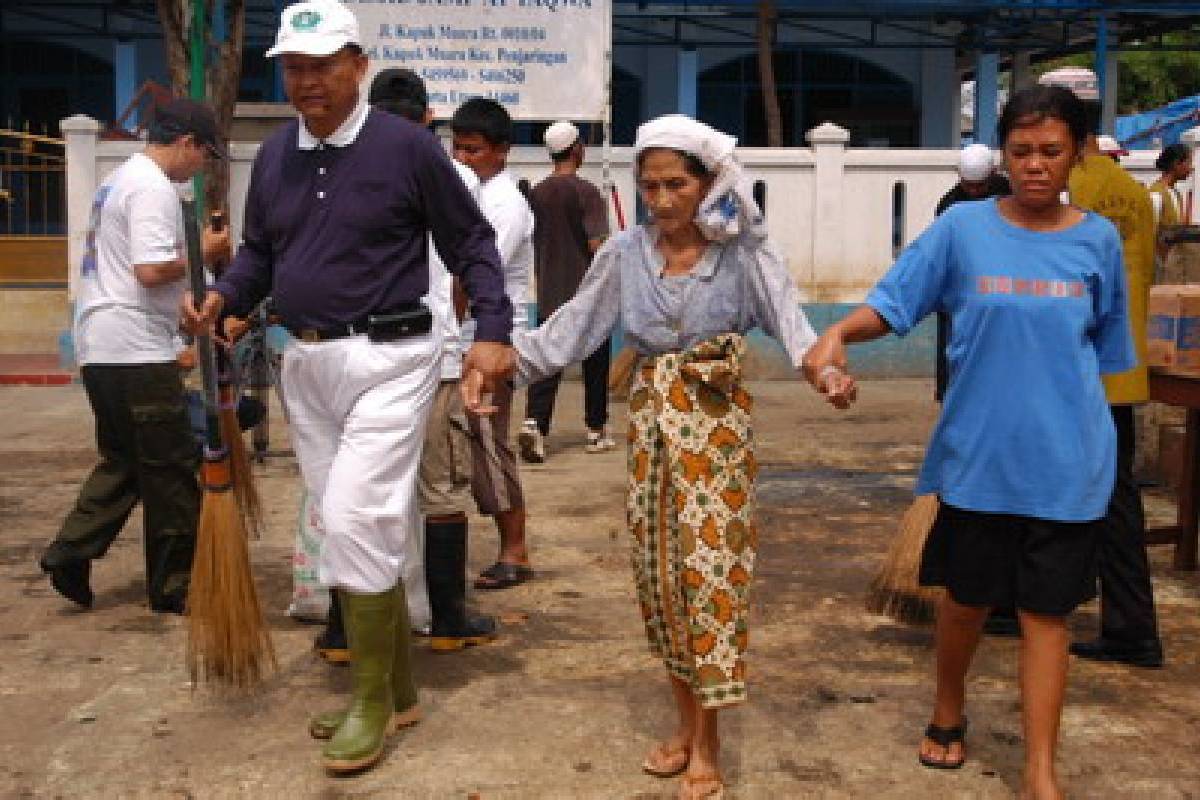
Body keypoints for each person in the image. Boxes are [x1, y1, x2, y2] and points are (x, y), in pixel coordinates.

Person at [181, 0, 514, 775]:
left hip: (393, 359)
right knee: (345, 526)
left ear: (358, 64)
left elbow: (471, 241)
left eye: (323, 65)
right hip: (309, 363)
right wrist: (226, 299)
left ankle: (370, 702)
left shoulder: (408, 149)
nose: (307, 83)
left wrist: (493, 331)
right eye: (294, 68)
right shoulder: (271, 157)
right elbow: (260, 254)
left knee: (360, 517)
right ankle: (394, 688)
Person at [805, 85, 1134, 800]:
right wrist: (834, 334)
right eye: (1021, 151)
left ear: (1078, 151)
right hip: (978, 460)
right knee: (964, 602)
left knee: (1049, 616)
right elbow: (892, 304)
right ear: (1003, 154)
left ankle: (1041, 768)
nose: (1036, 165)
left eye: (1052, 151)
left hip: (1069, 464)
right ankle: (948, 707)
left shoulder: (1097, 241)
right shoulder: (963, 231)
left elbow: (1104, 356)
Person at [502, 114, 832, 800]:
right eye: (650, 185)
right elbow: (571, 329)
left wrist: (823, 369)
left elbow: (794, 325)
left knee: (711, 580)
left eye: (676, 183)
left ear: (710, 183)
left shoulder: (743, 255)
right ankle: (686, 724)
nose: (661, 200)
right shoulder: (624, 253)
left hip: (716, 436)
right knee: (662, 582)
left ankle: (707, 741)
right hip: (652, 432)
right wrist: (502, 364)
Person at [39, 98, 230, 614]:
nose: (202, 166)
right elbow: (150, 271)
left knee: (124, 458)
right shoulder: (151, 187)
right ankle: (174, 586)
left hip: (101, 343)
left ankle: (70, 551)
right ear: (188, 143)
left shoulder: (119, 180)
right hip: (135, 346)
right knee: (169, 469)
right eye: (204, 155)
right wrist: (207, 254)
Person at [370, 67, 498, 651]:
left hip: (358, 357)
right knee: (441, 485)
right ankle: (447, 616)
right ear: (428, 120)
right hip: (434, 357)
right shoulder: (453, 178)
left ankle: (345, 628)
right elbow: (470, 270)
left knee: (362, 492)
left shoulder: (348, 171)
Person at [1067, 102, 1163, 669]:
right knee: (1117, 501)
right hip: (1123, 370)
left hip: (1075, 371)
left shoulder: (1065, 194)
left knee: (1038, 488)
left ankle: (1015, 600)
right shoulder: (1134, 191)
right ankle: (1132, 626)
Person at [450, 98, 536, 592]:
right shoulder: (470, 196)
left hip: (491, 341)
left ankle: (515, 551)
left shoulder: (505, 205)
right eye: (458, 148)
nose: (464, 158)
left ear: (502, 151)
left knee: (488, 444)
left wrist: (449, 333)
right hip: (462, 338)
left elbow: (474, 274)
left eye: (475, 150)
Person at [517, 120, 613, 463]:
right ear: (577, 150)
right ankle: (597, 429)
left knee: (546, 361)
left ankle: (535, 425)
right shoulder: (586, 192)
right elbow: (597, 244)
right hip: (586, 294)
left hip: (548, 292)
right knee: (596, 360)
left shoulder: (537, 193)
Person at [1150, 143, 1192, 255]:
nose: (1190, 168)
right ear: (1176, 164)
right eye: (1188, 162)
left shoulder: (1177, 194)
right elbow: (1151, 236)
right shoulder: (1156, 195)